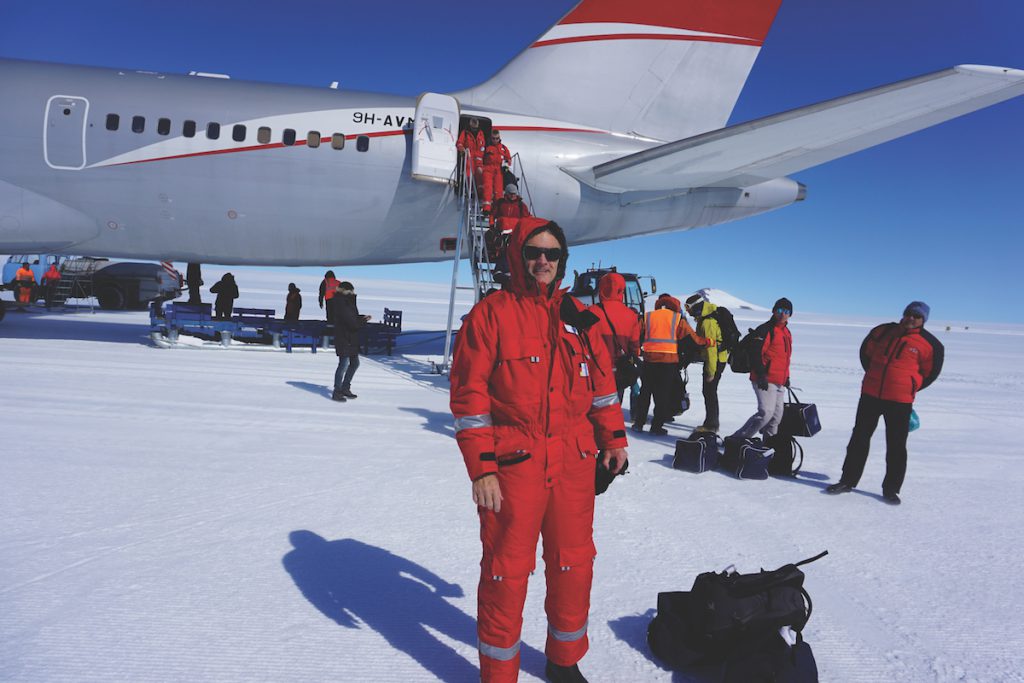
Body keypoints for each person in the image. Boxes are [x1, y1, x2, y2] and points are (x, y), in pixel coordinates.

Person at [450, 217, 628, 683]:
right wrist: (482, 469)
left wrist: (613, 439)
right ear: (518, 257)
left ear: (563, 260)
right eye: (533, 252)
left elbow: (604, 388)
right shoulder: (492, 314)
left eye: (552, 253)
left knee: (574, 563)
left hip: (574, 462)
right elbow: (469, 399)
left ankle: (564, 661)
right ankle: (499, 673)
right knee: (506, 572)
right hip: (514, 465)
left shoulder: (581, 319)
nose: (543, 261)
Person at [826, 301, 944, 505]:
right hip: (871, 395)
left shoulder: (930, 344)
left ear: (923, 320)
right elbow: (866, 354)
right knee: (859, 439)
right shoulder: (883, 331)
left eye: (916, 316)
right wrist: (874, 375)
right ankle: (847, 481)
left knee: (897, 445)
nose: (911, 318)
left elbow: (930, 373)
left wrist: (909, 385)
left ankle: (891, 489)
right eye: (908, 314)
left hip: (900, 401)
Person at [633, 294, 707, 436]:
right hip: (668, 362)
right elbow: (694, 339)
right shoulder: (677, 319)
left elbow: (635, 335)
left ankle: (638, 423)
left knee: (645, 393)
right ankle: (656, 426)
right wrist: (708, 342)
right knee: (662, 396)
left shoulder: (648, 316)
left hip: (649, 361)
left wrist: (636, 350)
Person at [730, 298, 794, 441]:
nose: (782, 314)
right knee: (765, 413)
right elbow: (755, 354)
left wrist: (787, 377)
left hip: (779, 381)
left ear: (790, 314)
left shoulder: (786, 333)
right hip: (764, 379)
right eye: (779, 310)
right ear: (773, 311)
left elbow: (785, 358)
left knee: (776, 418)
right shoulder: (765, 330)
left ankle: (769, 446)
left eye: (786, 311)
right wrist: (761, 375)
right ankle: (738, 439)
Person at [587, 272, 641, 404]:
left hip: (596, 371)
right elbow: (634, 346)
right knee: (615, 406)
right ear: (621, 290)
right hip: (620, 371)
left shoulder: (590, 312)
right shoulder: (631, 315)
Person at [685, 293, 728, 433]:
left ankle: (711, 425)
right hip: (716, 360)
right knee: (709, 391)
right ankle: (711, 423)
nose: (688, 311)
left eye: (688, 308)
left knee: (709, 392)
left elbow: (711, 350)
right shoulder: (705, 318)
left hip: (715, 361)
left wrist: (711, 372)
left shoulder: (707, 322)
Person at [329, 281, 370, 402]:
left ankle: (345, 388)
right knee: (343, 365)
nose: (353, 293)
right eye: (352, 291)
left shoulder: (347, 302)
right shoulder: (342, 302)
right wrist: (362, 321)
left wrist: (361, 318)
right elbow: (352, 324)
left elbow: (352, 317)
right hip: (344, 339)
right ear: (347, 291)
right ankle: (337, 391)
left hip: (350, 339)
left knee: (354, 364)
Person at [481, 129, 511, 213]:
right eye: (493, 138)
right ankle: (486, 208)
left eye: (497, 138)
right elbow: (480, 157)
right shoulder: (486, 147)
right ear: (491, 138)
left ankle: (498, 209)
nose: (495, 140)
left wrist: (506, 165)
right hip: (488, 169)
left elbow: (508, 158)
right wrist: (480, 167)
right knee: (488, 188)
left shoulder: (503, 148)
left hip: (498, 171)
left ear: (499, 138)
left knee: (498, 191)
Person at [456, 117, 486, 197]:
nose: (474, 129)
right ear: (470, 125)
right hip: (469, 157)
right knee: (469, 174)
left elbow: (483, 146)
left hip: (478, 159)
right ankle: (470, 191)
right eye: (473, 128)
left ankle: (479, 192)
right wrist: (462, 150)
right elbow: (459, 143)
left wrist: (481, 155)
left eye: (475, 128)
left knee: (480, 173)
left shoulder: (480, 133)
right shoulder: (465, 133)